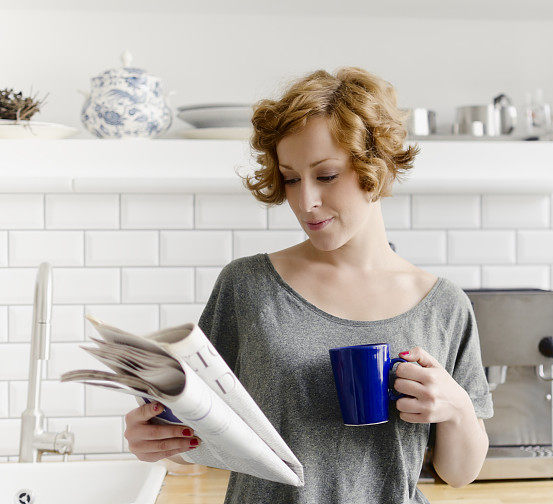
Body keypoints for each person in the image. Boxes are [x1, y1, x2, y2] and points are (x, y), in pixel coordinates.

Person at [123, 66, 494, 503]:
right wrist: (157, 439)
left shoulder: (442, 305)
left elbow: (459, 472)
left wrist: (457, 409)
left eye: (327, 175)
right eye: (292, 178)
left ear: (375, 165)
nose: (305, 201)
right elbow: (200, 429)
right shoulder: (248, 287)